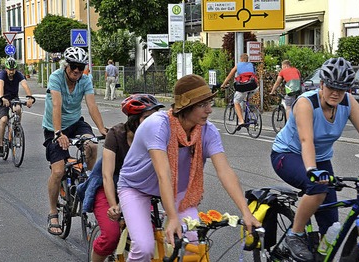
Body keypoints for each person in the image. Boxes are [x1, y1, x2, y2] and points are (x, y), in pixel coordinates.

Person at [270, 57, 359, 261]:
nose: (336, 93)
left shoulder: (348, 101)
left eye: (343, 88)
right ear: (322, 84)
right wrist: (311, 170)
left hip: (320, 160)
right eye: (331, 87)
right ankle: (295, 234)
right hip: (287, 155)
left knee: (331, 229)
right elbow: (306, 140)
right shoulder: (306, 103)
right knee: (318, 188)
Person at [117, 74, 262, 261]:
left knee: (194, 240)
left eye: (209, 103)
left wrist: (246, 212)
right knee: (144, 247)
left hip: (178, 190)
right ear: (184, 108)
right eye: (202, 105)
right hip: (136, 187)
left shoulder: (207, 131)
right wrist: (172, 217)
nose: (210, 110)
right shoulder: (158, 126)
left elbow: (224, 171)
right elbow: (164, 174)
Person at [79, 94, 164, 262]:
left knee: (153, 233)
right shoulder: (116, 134)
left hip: (138, 189)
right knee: (111, 236)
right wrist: (113, 207)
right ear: (133, 120)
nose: (152, 123)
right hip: (108, 188)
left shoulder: (155, 137)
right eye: (147, 118)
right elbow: (107, 175)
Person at [42, 46, 109, 235]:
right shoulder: (56, 77)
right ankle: (53, 212)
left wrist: (102, 129)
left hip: (75, 123)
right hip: (53, 127)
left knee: (93, 145)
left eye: (81, 67)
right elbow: (56, 105)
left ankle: (87, 178)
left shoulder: (85, 80)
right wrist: (58, 133)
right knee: (58, 171)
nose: (77, 71)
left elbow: (92, 105)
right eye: (73, 67)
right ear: (66, 65)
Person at [0, 57, 34, 154]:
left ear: (16, 69)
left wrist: (30, 97)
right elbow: (1, 86)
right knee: (4, 119)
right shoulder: (2, 74)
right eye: (9, 69)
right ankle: (0, 144)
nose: (11, 72)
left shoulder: (19, 75)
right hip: (3, 97)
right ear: (6, 69)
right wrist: (2, 98)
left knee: (18, 109)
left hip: (13, 97)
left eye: (13, 69)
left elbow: (25, 85)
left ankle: (17, 126)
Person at [221, 53, 258, 130]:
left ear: (241, 59)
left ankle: (241, 121)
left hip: (243, 86)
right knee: (245, 97)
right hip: (253, 87)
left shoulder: (238, 65)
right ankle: (249, 112)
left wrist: (223, 85)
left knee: (236, 101)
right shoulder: (252, 65)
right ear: (247, 60)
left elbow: (229, 77)